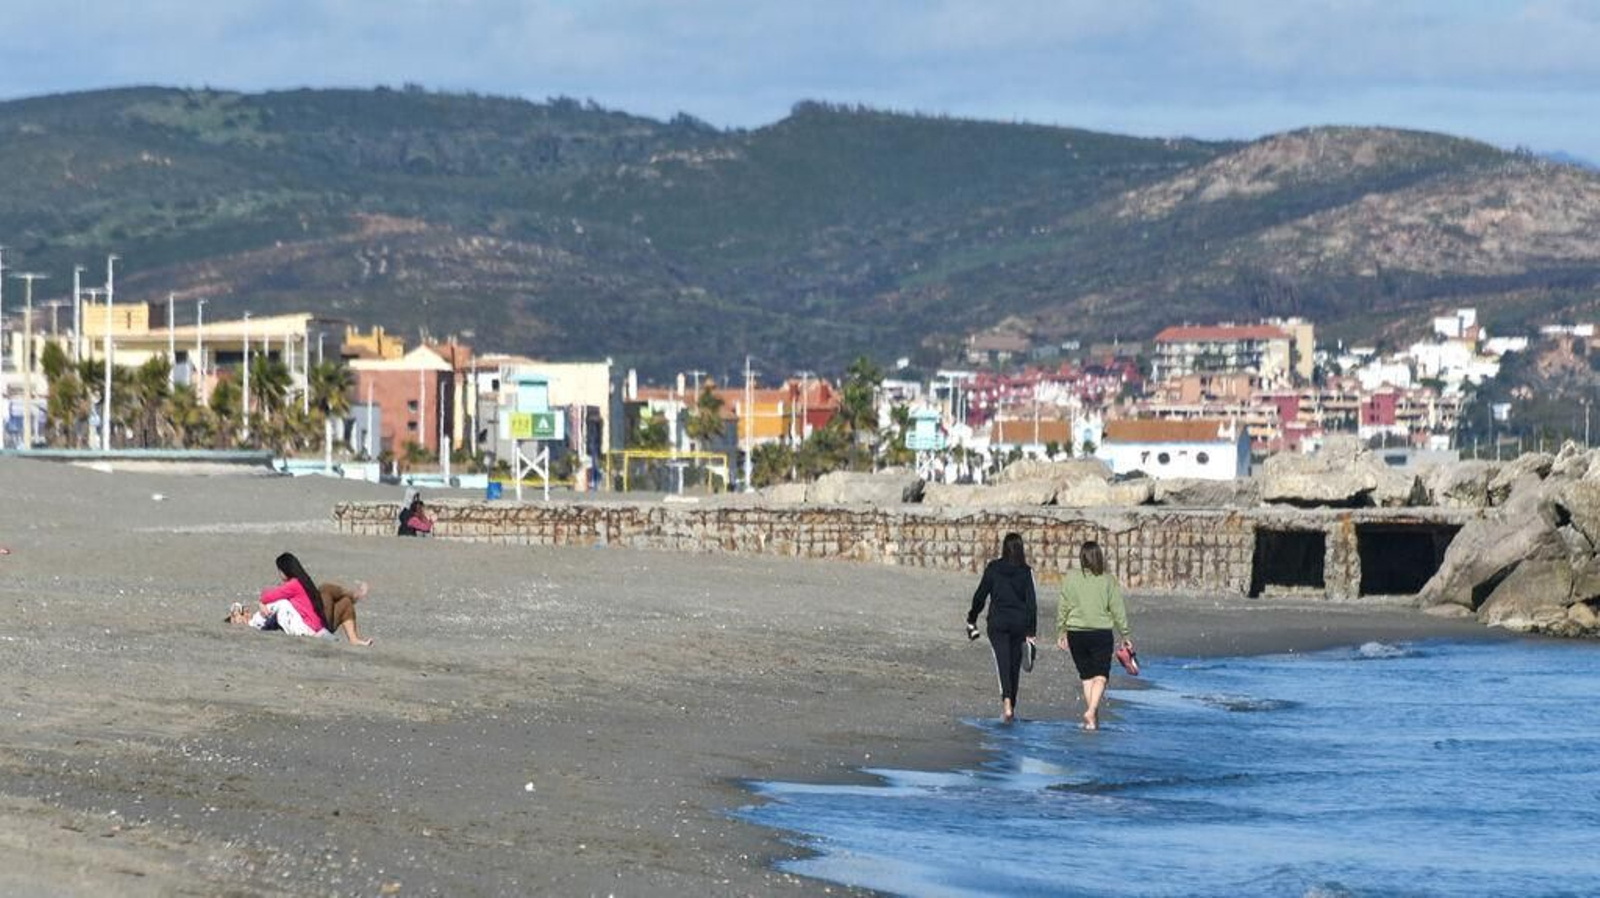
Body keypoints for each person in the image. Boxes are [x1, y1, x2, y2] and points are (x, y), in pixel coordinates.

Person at [1056, 540, 1134, 731]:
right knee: (1101, 676)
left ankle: (1093, 721)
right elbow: (1117, 609)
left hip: (1076, 633)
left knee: (1087, 677)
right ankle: (1091, 711)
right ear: (1099, 557)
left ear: (1082, 558)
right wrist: (1125, 633)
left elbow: (1063, 605)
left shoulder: (1071, 577)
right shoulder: (1107, 580)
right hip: (1100, 633)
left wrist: (1061, 630)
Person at [966, 532, 1038, 724]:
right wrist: (1031, 632)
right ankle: (1010, 706)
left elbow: (980, 595)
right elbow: (1032, 603)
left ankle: (1007, 706)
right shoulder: (1026, 572)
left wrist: (972, 617)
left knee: (1003, 663)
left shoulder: (993, 568)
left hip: (998, 622)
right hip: (1019, 624)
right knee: (1014, 665)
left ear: (1003, 548)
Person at [248, 552, 331, 637]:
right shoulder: (304, 582)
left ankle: (252, 624)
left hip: (307, 628)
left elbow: (268, 596)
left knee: (282, 603)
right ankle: (255, 622)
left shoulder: (294, 584)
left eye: (279, 571)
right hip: (315, 627)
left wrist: (261, 603)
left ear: (285, 570)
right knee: (281, 602)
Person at [319, 581, 374, 646]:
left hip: (317, 623)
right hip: (312, 623)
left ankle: (354, 639)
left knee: (346, 602)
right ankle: (354, 596)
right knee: (325, 588)